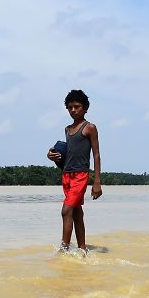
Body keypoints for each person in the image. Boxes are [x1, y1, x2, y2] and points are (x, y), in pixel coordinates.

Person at [47, 90, 103, 253]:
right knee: (76, 212)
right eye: (70, 107)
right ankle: (82, 249)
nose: (73, 110)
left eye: (77, 107)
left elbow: (96, 155)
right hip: (66, 175)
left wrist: (97, 182)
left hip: (80, 175)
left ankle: (63, 250)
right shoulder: (67, 129)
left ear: (85, 108)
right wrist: (50, 155)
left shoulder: (89, 128)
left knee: (66, 210)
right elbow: (67, 153)